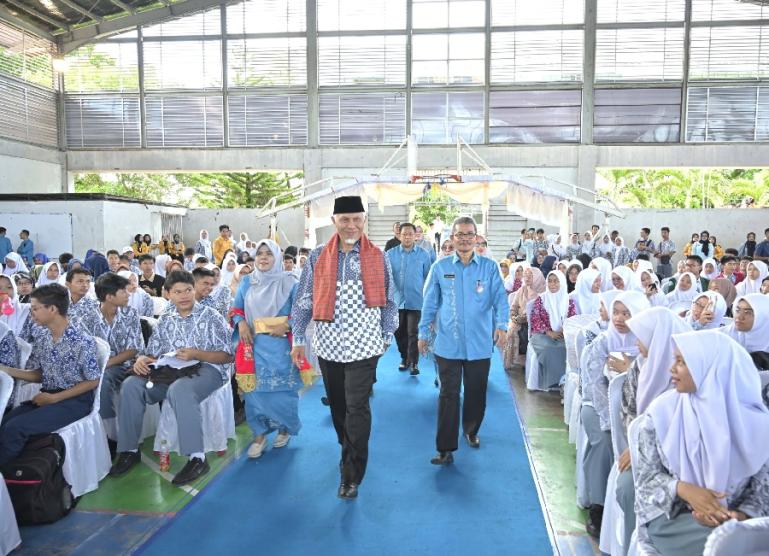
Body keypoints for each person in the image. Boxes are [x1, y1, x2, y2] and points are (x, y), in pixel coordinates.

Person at [290, 196, 398, 500]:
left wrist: (387, 333)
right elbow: (304, 300)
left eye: (357, 219)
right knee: (338, 406)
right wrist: (299, 337)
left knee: (357, 407)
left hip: (365, 345)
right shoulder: (317, 256)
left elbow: (389, 299)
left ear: (364, 221)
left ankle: (351, 473)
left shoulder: (378, 257)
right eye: (345, 219)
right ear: (334, 221)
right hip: (329, 345)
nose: (351, 225)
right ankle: (347, 445)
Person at [636, 330, 769, 556]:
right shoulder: (661, 413)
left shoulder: (759, 425)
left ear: (709, 368)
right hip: (674, 518)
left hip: (733, 525)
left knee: (732, 544)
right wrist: (685, 491)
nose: (671, 369)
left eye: (681, 362)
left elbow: (762, 491)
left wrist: (738, 517)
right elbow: (645, 480)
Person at [109, 271, 234, 485]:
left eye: (188, 290)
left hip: (208, 369)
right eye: (177, 292)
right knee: (131, 385)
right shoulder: (166, 318)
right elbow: (154, 353)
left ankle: (197, 457)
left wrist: (196, 354)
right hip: (171, 370)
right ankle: (129, 450)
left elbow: (227, 355)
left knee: (180, 389)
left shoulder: (211, 316)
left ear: (194, 290)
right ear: (168, 294)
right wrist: (143, 360)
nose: (184, 295)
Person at [418, 216, 508, 465]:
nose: (465, 239)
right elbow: (430, 303)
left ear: (477, 237)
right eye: (460, 234)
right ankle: (445, 448)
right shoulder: (441, 267)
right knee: (448, 394)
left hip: (480, 343)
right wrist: (423, 333)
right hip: (448, 342)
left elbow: (500, 299)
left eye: (470, 234)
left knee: (476, 391)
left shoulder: (489, 268)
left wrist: (502, 325)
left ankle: (471, 429)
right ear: (452, 238)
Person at [615, 306, 691, 555]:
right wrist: (635, 447)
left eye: (642, 336)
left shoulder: (689, 375)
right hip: (647, 452)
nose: (636, 342)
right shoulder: (640, 367)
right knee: (628, 486)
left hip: (678, 461)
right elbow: (629, 412)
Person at [0, 284, 101, 466]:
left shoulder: (81, 341)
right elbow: (40, 374)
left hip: (75, 401)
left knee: (15, 428)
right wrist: (6, 370)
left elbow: (93, 381)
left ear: (53, 309)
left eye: (35, 308)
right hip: (48, 395)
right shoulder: (44, 337)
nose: (32, 314)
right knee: (5, 421)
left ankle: (6, 478)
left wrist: (55, 399)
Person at [580, 290, 650, 538]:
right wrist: (611, 421)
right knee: (603, 441)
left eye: (627, 313)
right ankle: (598, 505)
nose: (619, 318)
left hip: (638, 413)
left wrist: (630, 367)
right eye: (616, 312)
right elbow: (594, 385)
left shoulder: (648, 345)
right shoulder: (603, 343)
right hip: (598, 407)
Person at [232, 240, 301, 458]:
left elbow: (301, 311)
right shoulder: (247, 282)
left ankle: (284, 428)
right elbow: (236, 309)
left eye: (268, 254)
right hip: (254, 346)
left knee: (282, 393)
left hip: (281, 348)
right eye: (259, 253)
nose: (263, 258)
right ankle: (259, 435)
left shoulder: (290, 282)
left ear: (277, 258)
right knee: (254, 394)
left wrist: (287, 324)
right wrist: (241, 323)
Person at [92, 273, 143, 451]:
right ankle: (102, 432)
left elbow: (134, 349)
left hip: (127, 366)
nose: (128, 294)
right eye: (123, 291)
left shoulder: (130, 314)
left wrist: (105, 364)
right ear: (109, 296)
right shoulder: (89, 317)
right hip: (97, 367)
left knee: (103, 379)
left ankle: (111, 435)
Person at [387, 222, 433, 376]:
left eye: (410, 234)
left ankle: (413, 363)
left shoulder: (423, 255)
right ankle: (404, 358)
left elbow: (428, 278)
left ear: (415, 236)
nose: (407, 236)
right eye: (404, 234)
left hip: (416, 300)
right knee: (399, 332)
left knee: (413, 332)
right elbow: (386, 277)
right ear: (399, 235)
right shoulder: (390, 254)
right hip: (396, 301)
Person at [528, 270, 576, 390]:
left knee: (566, 347)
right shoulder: (541, 299)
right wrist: (549, 332)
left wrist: (564, 332)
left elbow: (572, 319)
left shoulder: (569, 301)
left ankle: (564, 382)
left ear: (562, 283)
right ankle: (554, 383)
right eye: (550, 281)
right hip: (542, 334)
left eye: (556, 281)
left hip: (562, 335)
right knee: (548, 348)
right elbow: (535, 319)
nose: (552, 284)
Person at [505, 267, 545, 370]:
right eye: (525, 276)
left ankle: (529, 361)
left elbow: (541, 313)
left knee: (525, 332)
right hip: (520, 319)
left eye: (530, 276)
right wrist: (514, 317)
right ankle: (519, 360)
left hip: (537, 322)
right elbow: (513, 306)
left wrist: (525, 318)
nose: (526, 279)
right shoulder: (522, 290)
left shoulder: (542, 292)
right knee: (513, 330)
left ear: (536, 278)